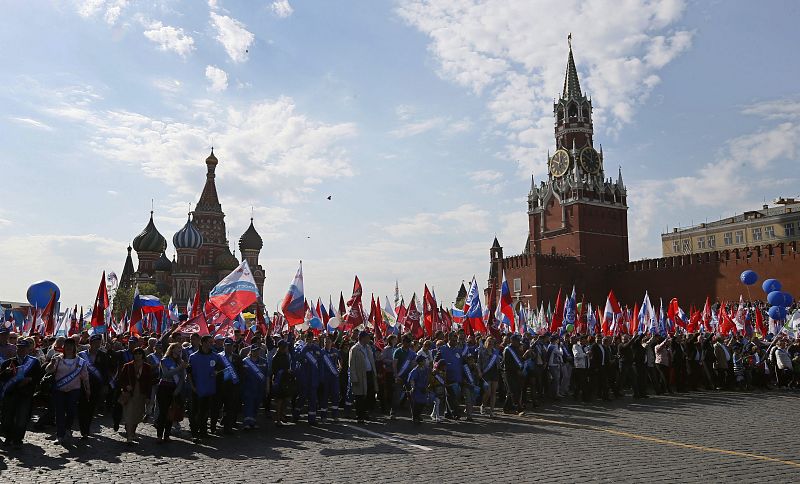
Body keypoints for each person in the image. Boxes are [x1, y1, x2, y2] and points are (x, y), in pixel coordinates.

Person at [45, 338, 90, 445]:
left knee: (71, 411)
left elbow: (85, 377)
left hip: (74, 390)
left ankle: (68, 429)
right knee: (59, 412)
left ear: (74, 347)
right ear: (63, 348)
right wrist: (51, 363)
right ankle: (60, 435)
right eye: (67, 345)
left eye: (71, 345)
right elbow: (48, 370)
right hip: (59, 390)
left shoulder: (80, 361)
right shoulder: (58, 358)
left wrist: (88, 390)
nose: (69, 348)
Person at [0, 337, 43, 448]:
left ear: (28, 349)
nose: (21, 350)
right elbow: (2, 378)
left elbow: (39, 377)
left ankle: (18, 440)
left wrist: (30, 379)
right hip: (10, 394)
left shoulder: (34, 362)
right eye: (19, 348)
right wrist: (7, 372)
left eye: (24, 348)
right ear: (16, 349)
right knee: (7, 418)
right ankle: (8, 437)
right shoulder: (8, 363)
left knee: (21, 418)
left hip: (25, 394)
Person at [77, 333, 111, 439]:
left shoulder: (103, 355)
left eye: (98, 343)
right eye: (95, 343)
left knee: (91, 408)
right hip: (82, 385)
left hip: (96, 385)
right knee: (82, 407)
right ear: (90, 343)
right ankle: (83, 429)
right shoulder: (81, 355)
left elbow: (106, 372)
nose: (97, 345)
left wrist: (105, 385)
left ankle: (86, 429)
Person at [188, 335, 220, 442]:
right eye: (210, 342)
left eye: (212, 342)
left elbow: (219, 370)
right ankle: (194, 433)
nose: (212, 344)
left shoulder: (215, 356)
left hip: (210, 389)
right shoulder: (193, 357)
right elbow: (189, 374)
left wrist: (217, 373)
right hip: (197, 389)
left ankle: (203, 431)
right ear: (203, 343)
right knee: (195, 412)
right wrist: (193, 387)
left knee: (205, 412)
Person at [118, 347, 153, 445]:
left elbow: (149, 383)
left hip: (141, 394)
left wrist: (148, 397)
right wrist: (126, 386)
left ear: (142, 355)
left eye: (139, 353)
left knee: (137, 415)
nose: (137, 355)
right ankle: (129, 436)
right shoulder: (128, 366)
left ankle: (132, 432)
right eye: (135, 354)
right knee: (129, 415)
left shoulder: (147, 367)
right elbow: (121, 380)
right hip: (130, 394)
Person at [156, 342, 186, 442]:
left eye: (180, 349)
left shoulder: (180, 362)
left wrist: (177, 390)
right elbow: (166, 374)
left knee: (171, 412)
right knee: (163, 412)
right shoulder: (164, 360)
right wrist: (179, 368)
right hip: (164, 387)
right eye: (177, 348)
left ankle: (167, 435)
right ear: (172, 349)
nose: (179, 350)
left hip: (175, 389)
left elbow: (182, 378)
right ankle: (159, 435)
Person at [213, 338, 241, 434]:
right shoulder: (218, 357)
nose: (229, 347)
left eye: (230, 345)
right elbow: (214, 371)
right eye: (227, 345)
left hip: (232, 387)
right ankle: (213, 427)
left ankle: (227, 427)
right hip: (220, 386)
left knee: (230, 408)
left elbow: (240, 373)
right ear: (224, 346)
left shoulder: (237, 357)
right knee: (216, 407)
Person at [349, 331, 378, 424]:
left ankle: (366, 413)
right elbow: (351, 365)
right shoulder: (355, 349)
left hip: (369, 374)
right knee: (360, 396)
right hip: (360, 375)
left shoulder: (368, 348)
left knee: (369, 395)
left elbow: (371, 361)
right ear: (362, 338)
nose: (369, 339)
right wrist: (354, 378)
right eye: (367, 337)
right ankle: (360, 416)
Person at [240, 344, 269, 429]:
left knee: (256, 404)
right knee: (248, 404)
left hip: (260, 388)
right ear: (251, 352)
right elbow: (242, 376)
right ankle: (247, 423)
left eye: (257, 350)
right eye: (254, 350)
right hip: (248, 387)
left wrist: (267, 387)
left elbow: (267, 376)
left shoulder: (263, 361)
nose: (256, 352)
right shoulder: (245, 361)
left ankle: (252, 421)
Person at [390, 335, 416, 420]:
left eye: (409, 342)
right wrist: (396, 375)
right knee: (397, 395)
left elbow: (414, 364)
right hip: (400, 377)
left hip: (408, 377)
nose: (408, 344)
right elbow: (394, 364)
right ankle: (393, 412)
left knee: (411, 395)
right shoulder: (398, 351)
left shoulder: (411, 353)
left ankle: (414, 415)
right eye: (407, 342)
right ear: (403, 342)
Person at [271, 340, 294, 426]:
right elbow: (275, 371)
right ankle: (277, 419)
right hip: (279, 381)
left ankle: (281, 415)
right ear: (281, 348)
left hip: (286, 380)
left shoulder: (285, 356)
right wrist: (286, 371)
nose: (287, 348)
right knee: (279, 400)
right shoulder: (275, 357)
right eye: (286, 346)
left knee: (286, 399)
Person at [319, 335, 341, 423]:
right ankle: (323, 416)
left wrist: (340, 366)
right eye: (325, 342)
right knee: (325, 396)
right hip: (325, 377)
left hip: (334, 377)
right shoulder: (321, 352)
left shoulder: (335, 351)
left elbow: (340, 359)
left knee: (335, 395)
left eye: (328, 342)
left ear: (331, 343)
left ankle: (335, 415)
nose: (327, 343)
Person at [502, 334, 525, 415]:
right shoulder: (507, 350)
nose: (518, 342)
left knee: (517, 390)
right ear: (512, 341)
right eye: (517, 341)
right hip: (509, 373)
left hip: (516, 372)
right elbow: (508, 364)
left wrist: (525, 356)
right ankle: (507, 408)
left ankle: (517, 407)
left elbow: (519, 360)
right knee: (512, 391)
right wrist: (516, 370)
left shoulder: (516, 349)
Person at [479, 336, 501, 416]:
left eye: (492, 342)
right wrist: (479, 371)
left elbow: (498, 362)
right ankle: (483, 406)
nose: (490, 343)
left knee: (493, 392)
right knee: (487, 392)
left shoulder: (495, 351)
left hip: (494, 372)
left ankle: (492, 410)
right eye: (489, 341)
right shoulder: (482, 351)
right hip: (486, 372)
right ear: (486, 342)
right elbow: (479, 363)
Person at [407, 355, 430, 424]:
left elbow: (428, 377)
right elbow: (412, 380)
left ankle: (418, 415)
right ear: (420, 362)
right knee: (416, 404)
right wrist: (413, 387)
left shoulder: (426, 369)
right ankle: (415, 417)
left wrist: (427, 387)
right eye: (424, 360)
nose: (425, 361)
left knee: (423, 403)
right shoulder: (415, 370)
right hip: (417, 390)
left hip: (424, 388)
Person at [571, 335, 589, 401]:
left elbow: (588, 356)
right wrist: (586, 354)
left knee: (581, 383)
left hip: (585, 366)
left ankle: (576, 395)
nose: (585, 341)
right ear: (580, 340)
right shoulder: (575, 346)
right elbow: (576, 355)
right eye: (584, 340)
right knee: (581, 383)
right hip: (579, 367)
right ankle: (584, 397)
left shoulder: (586, 347)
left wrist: (589, 355)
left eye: (585, 340)